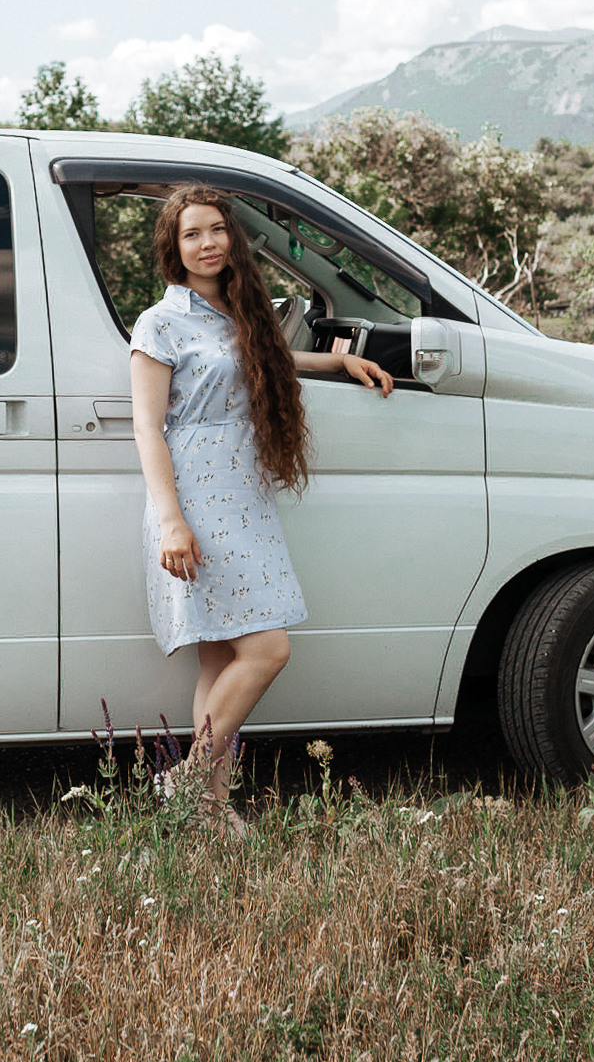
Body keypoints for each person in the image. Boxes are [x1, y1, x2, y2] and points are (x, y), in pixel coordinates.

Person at [127, 185, 394, 822]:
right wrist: (171, 520)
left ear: (232, 237)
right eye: (192, 234)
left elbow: (258, 361)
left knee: (220, 657)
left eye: (216, 230)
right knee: (268, 649)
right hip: (195, 496)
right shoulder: (159, 322)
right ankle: (190, 781)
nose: (207, 243)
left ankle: (209, 808)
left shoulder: (239, 311)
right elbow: (146, 425)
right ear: (174, 246)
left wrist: (340, 364)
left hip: (242, 492)